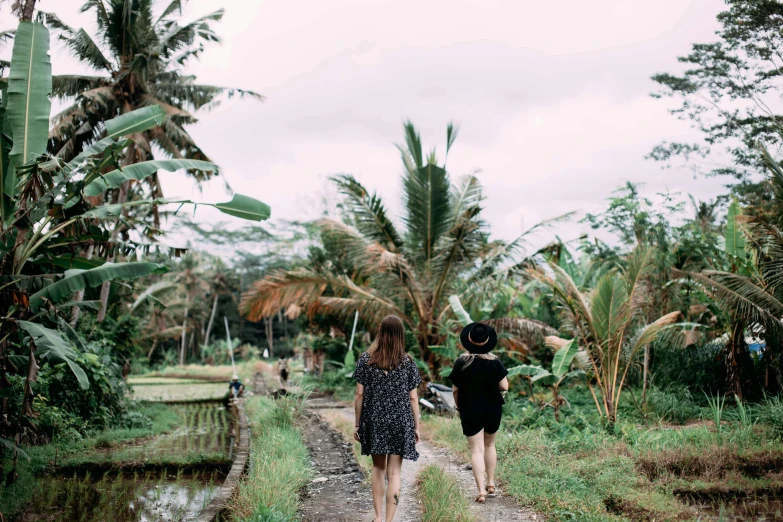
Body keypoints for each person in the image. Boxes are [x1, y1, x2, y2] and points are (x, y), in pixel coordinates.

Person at [353, 315, 421, 522]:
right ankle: (390, 520)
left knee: (378, 468)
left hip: (375, 420)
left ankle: (378, 516)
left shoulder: (366, 359)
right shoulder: (408, 362)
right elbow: (413, 398)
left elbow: (359, 395)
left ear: (380, 332)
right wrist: (416, 427)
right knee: (395, 473)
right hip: (400, 421)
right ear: (401, 335)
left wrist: (357, 423)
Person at [448, 322, 509, 504]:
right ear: (488, 341)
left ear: (469, 340)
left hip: (470, 408)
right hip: (492, 408)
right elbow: (505, 386)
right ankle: (491, 484)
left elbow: (455, 391)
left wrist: (459, 407)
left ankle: (481, 491)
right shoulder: (495, 362)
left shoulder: (461, 363)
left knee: (476, 450)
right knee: (490, 445)